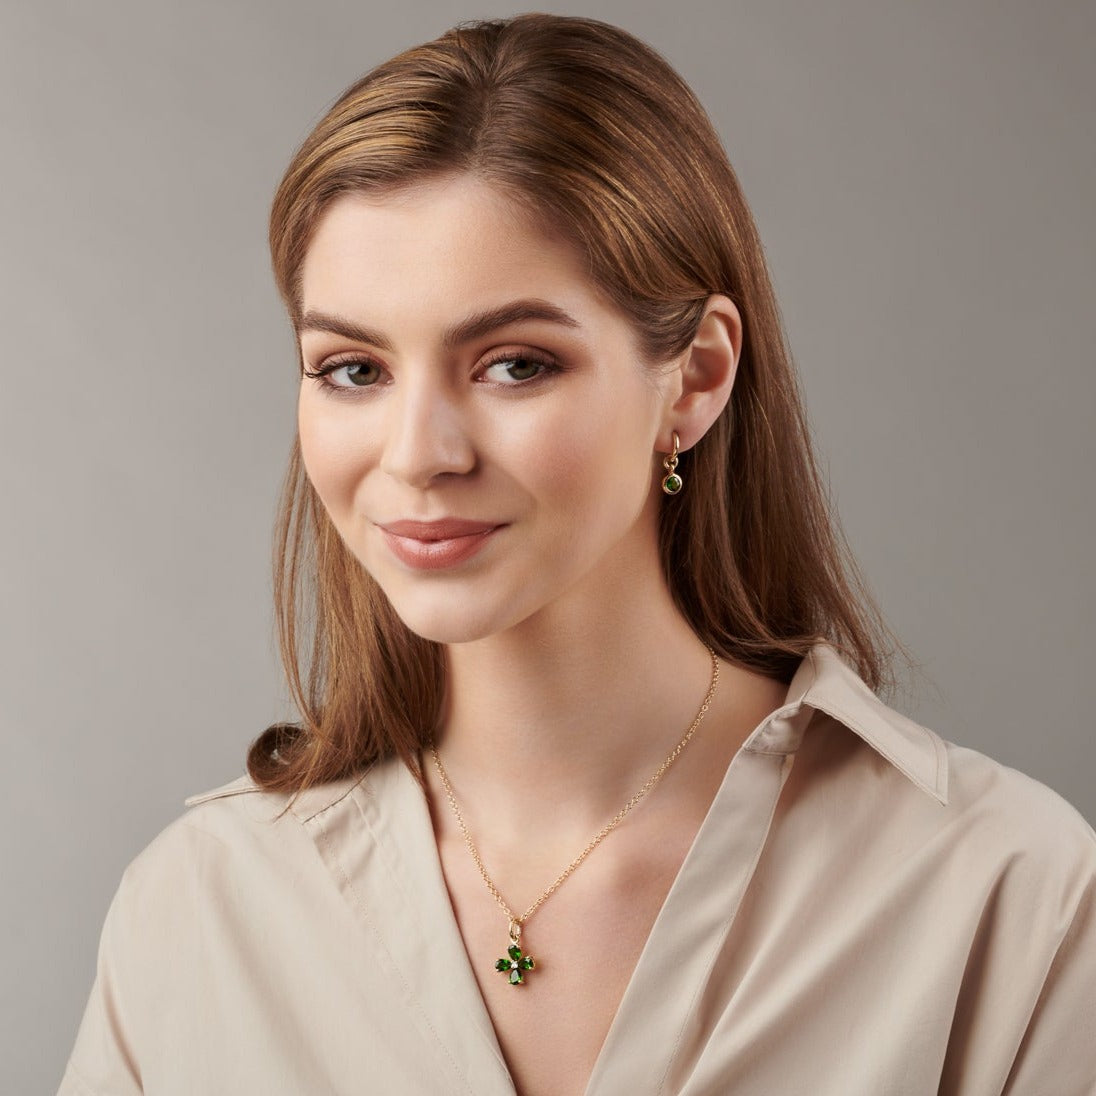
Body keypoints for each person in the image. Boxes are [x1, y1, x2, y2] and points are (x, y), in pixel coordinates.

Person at [59, 13, 1096, 1096]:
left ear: (694, 377)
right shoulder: (202, 912)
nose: (418, 455)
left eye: (513, 364)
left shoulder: (1003, 893)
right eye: (354, 369)